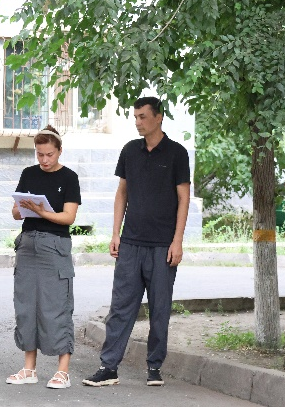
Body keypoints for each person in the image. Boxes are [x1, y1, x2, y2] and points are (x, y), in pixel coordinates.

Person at [83, 97, 190, 388]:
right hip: (130, 243)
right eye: (135, 117)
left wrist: (177, 241)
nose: (138, 122)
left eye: (143, 116)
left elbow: (183, 198)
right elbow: (122, 193)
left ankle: (154, 367)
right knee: (120, 307)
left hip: (162, 246)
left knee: (159, 309)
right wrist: (115, 233)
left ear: (158, 117)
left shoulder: (177, 153)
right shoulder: (130, 150)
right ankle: (108, 367)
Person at [5, 125, 81, 389]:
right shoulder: (28, 173)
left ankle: (63, 371)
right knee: (26, 306)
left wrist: (41, 211)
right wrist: (23, 207)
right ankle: (29, 369)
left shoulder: (69, 177)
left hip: (55, 245)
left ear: (59, 151)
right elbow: (15, 213)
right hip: (28, 244)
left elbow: (69, 217)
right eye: (40, 154)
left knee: (57, 306)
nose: (45, 160)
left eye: (49, 154)